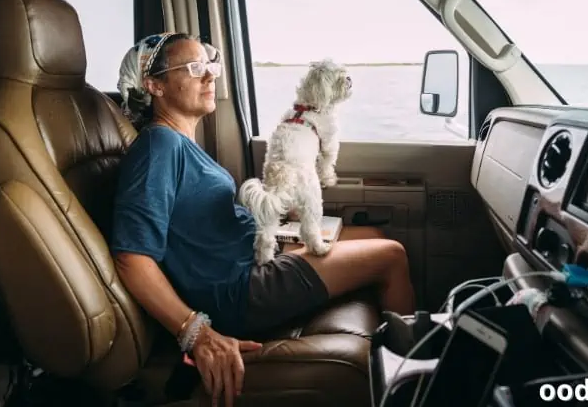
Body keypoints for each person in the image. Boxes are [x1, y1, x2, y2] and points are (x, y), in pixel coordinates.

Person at [111, 32, 415, 407]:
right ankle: (414, 389)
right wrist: (197, 333)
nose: (210, 76)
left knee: (370, 232)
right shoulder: (159, 147)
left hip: (252, 255)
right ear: (154, 85)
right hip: (239, 289)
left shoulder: (182, 144)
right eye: (193, 68)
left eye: (210, 65)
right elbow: (131, 257)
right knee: (392, 255)